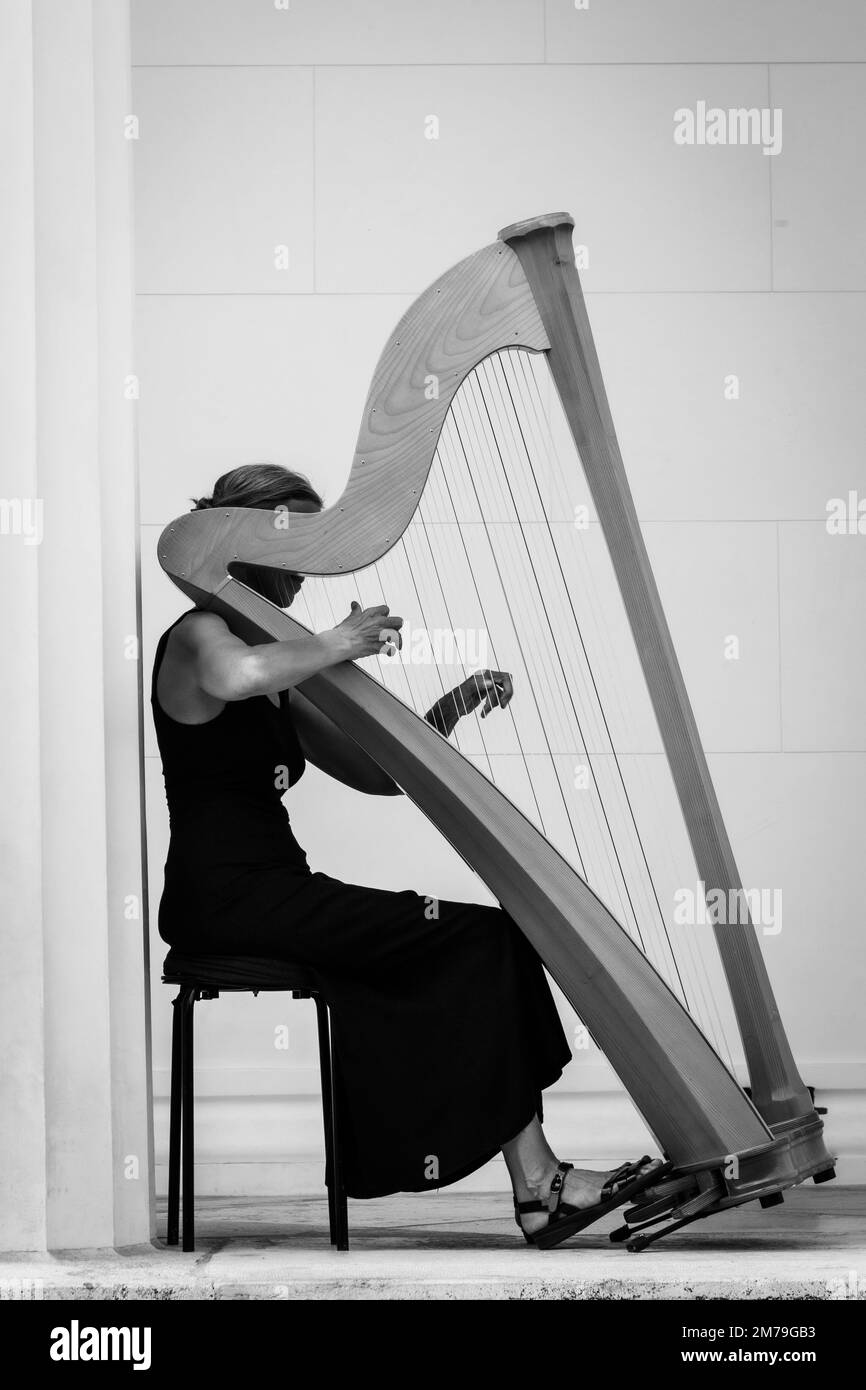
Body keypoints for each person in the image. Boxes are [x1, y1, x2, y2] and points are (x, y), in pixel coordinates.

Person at [152, 462, 660, 1247]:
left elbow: (375, 774)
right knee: (483, 937)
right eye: (299, 547)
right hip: (225, 896)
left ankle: (538, 1183)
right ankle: (540, 1184)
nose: (307, 569)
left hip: (277, 889)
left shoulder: (282, 669)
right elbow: (236, 675)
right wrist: (337, 642)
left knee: (484, 940)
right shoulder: (199, 637)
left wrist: (451, 705)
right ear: (246, 545)